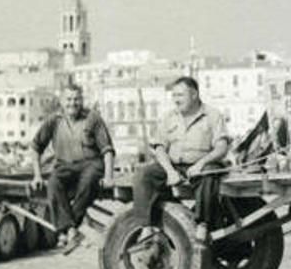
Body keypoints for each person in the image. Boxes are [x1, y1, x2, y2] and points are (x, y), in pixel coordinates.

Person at [132, 76, 230, 241]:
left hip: (202, 165)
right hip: (174, 166)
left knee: (209, 173)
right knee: (144, 174)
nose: (176, 100)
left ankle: (202, 225)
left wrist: (201, 164)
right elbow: (159, 148)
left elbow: (221, 147)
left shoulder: (213, 115)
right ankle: (146, 226)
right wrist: (170, 171)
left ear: (194, 95)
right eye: (174, 95)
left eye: (180, 95)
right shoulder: (168, 117)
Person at [30, 84, 115, 255]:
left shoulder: (93, 118)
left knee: (88, 181)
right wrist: (37, 176)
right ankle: (71, 232)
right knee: (53, 184)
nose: (72, 103)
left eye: (76, 99)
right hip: (64, 165)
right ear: (62, 101)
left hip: (91, 163)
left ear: (82, 100)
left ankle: (68, 229)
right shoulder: (53, 121)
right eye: (68, 99)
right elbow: (35, 147)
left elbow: (107, 150)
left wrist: (108, 176)